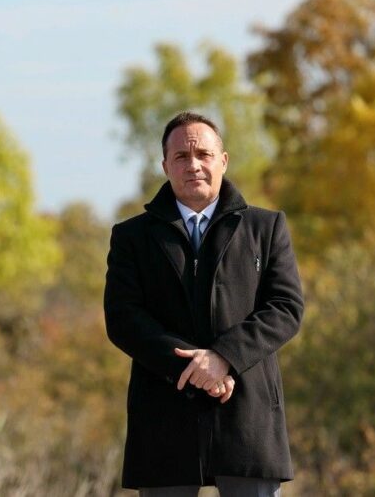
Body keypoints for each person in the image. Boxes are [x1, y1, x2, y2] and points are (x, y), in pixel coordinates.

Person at [104, 112, 304, 496]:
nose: (193, 164)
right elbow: (122, 318)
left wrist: (224, 357)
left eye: (204, 154)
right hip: (164, 422)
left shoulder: (266, 227)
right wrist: (196, 368)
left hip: (249, 417)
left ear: (223, 160)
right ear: (165, 166)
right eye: (181, 156)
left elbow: (285, 307)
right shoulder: (131, 236)